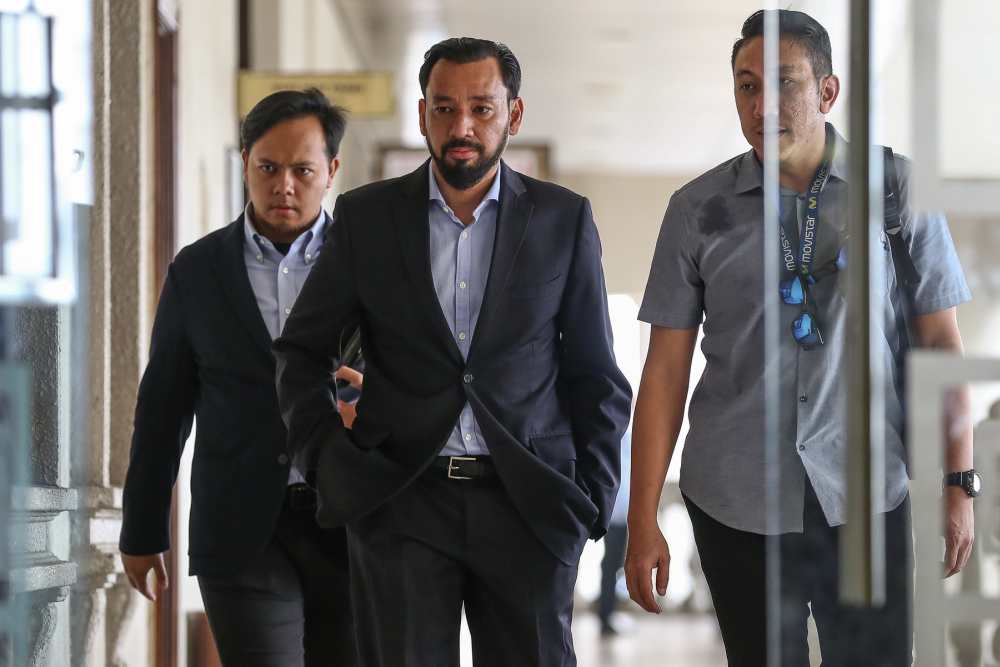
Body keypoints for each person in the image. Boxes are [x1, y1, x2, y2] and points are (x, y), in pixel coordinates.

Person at [625, 10, 975, 667]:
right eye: (746, 86)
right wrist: (643, 517)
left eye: (783, 83)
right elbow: (665, 373)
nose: (761, 104)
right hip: (735, 500)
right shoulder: (697, 211)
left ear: (828, 90)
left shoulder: (896, 191)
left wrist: (959, 481)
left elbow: (940, 346)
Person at [273, 37, 631, 667]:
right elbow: (303, 354)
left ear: (513, 115)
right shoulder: (367, 218)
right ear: (421, 115)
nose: (460, 126)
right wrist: (330, 462)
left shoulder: (562, 220)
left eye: (481, 109)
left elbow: (595, 373)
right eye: (443, 109)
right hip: (401, 503)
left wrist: (592, 500)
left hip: (528, 506)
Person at [119, 88, 358, 667]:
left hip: (355, 523)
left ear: (330, 171)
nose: (284, 186)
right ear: (244, 162)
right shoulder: (198, 271)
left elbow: (417, 376)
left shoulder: (368, 262)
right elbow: (164, 406)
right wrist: (142, 528)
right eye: (267, 168)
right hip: (241, 531)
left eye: (302, 170)